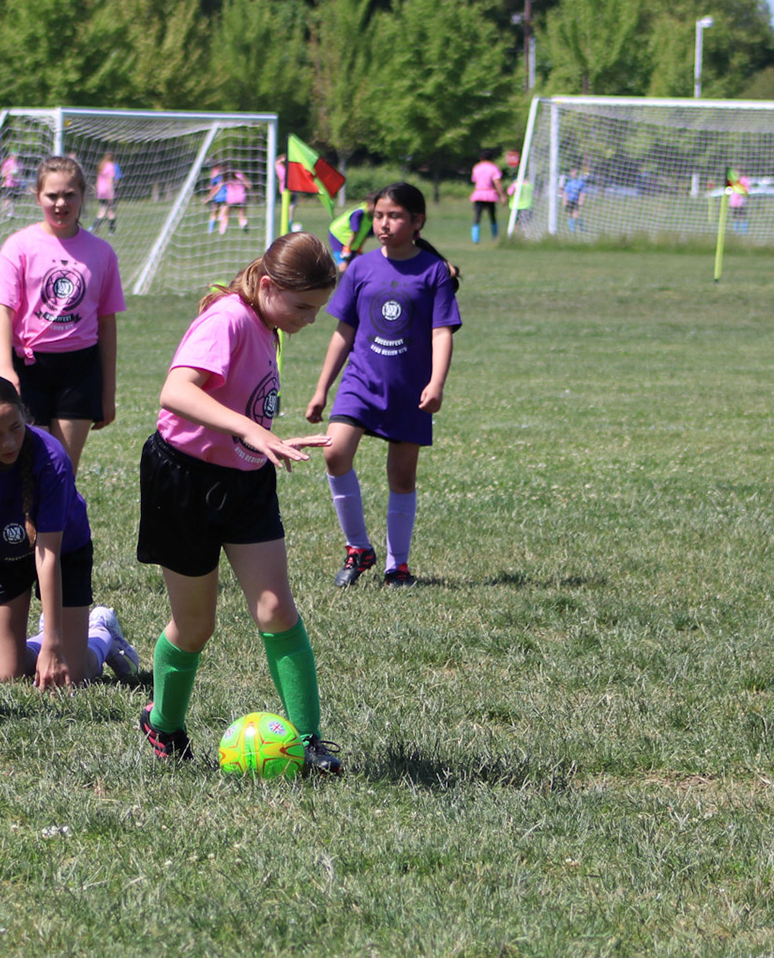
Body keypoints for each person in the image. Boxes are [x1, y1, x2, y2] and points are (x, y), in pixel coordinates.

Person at [134, 232, 342, 774]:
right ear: (267, 286)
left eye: (317, 309)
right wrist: (252, 430)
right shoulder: (227, 318)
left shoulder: (268, 322)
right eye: (302, 306)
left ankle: (309, 741)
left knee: (276, 608)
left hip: (247, 482)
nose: (309, 320)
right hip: (183, 481)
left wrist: (265, 438)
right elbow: (176, 392)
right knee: (195, 626)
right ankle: (163, 723)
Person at [0, 376, 139, 692]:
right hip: (1, 558)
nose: (8, 443)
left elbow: (48, 555)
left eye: (15, 428)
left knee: (71, 677)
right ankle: (48, 634)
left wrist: (54, 644)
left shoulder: (51, 458)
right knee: (6, 675)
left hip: (62, 553)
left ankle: (101, 633)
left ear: (25, 416)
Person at [305, 183, 461, 587]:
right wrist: (322, 389)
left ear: (417, 221)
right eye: (378, 216)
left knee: (402, 477)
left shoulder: (434, 272)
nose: (383, 224)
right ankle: (358, 548)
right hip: (360, 382)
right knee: (334, 453)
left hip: (410, 388)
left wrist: (436, 383)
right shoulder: (359, 268)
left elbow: (442, 332)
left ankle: (398, 565)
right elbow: (343, 332)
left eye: (394, 216)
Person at [0, 156, 124, 473]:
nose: (61, 203)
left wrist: (107, 392)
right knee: (28, 468)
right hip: (28, 369)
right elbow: (2, 312)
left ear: (83, 196)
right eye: (52, 195)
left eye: (69, 195)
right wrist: (5, 369)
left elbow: (107, 324)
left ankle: (58, 510)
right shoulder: (18, 246)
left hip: (80, 371)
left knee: (61, 471)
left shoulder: (102, 252)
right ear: (38, 197)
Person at [470, 149, 503, 243]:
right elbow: (497, 182)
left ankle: (475, 238)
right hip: (490, 194)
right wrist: (502, 194)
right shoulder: (494, 168)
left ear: (481, 158)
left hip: (479, 193)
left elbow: (475, 180)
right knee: (492, 216)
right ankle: (495, 236)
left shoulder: (476, 167)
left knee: (477, 216)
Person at [94, 151, 121, 235]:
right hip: (107, 191)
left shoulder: (101, 165)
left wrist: (97, 190)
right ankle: (111, 231)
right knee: (110, 211)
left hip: (100, 190)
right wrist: (111, 194)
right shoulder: (111, 166)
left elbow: (98, 180)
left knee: (102, 210)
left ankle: (95, 227)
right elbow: (110, 181)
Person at [563, 167, 588, 234]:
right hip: (570, 200)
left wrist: (581, 201)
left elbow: (582, 193)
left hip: (576, 201)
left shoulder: (580, 182)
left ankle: (581, 227)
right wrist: (565, 202)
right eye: (572, 172)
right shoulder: (569, 183)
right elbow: (565, 193)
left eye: (575, 172)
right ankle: (572, 230)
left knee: (576, 215)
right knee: (569, 215)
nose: (574, 173)